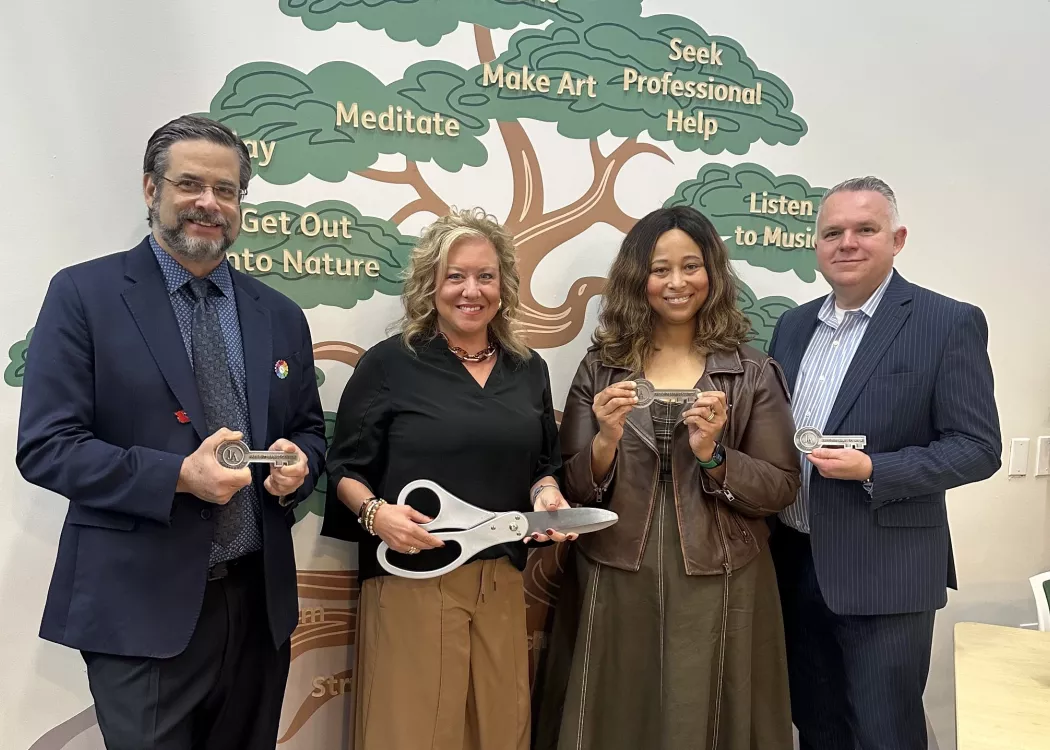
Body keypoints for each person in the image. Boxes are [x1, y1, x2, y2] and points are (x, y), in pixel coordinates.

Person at [15, 114, 328, 750]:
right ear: (150, 189)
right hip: (139, 608)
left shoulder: (281, 315)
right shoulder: (84, 295)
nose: (208, 204)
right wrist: (179, 476)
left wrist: (301, 465)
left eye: (227, 189)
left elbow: (307, 431)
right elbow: (47, 446)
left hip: (257, 606)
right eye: (190, 184)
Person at [534, 205, 800, 750]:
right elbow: (575, 493)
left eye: (691, 266)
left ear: (713, 274)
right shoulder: (601, 367)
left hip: (723, 573)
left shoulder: (752, 371)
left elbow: (780, 487)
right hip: (615, 570)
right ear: (639, 279)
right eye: (660, 269)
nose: (676, 282)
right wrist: (605, 439)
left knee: (704, 716)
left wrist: (713, 456)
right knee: (615, 715)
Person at [320, 207, 574, 750]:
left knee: (500, 732)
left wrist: (547, 493)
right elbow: (343, 468)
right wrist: (375, 514)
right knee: (410, 732)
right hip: (412, 578)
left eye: (484, 275)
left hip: (502, 585)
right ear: (429, 285)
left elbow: (541, 467)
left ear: (502, 285)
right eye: (455, 276)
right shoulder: (391, 364)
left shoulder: (528, 369)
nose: (470, 290)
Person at [767, 176, 1002, 750]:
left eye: (864, 229)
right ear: (816, 246)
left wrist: (876, 470)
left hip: (887, 569)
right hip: (794, 560)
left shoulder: (947, 322)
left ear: (896, 238)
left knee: (883, 731)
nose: (847, 242)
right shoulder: (794, 326)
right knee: (816, 723)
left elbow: (978, 447)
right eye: (832, 232)